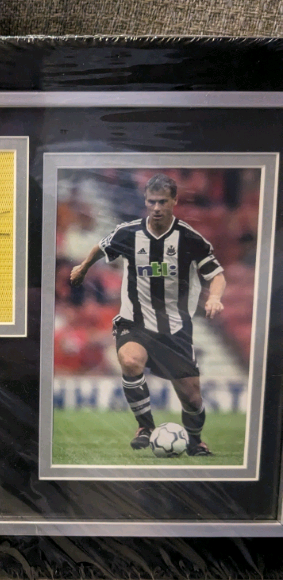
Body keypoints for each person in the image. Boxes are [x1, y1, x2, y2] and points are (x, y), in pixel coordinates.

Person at [70, 173, 226, 455]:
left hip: (175, 329)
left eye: (162, 202)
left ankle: (195, 440)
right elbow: (100, 248)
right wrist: (82, 268)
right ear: (145, 200)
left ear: (174, 201)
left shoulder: (189, 238)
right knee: (130, 360)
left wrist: (214, 297)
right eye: (152, 201)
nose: (156, 208)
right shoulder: (128, 233)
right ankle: (145, 426)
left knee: (191, 396)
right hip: (135, 322)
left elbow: (216, 275)